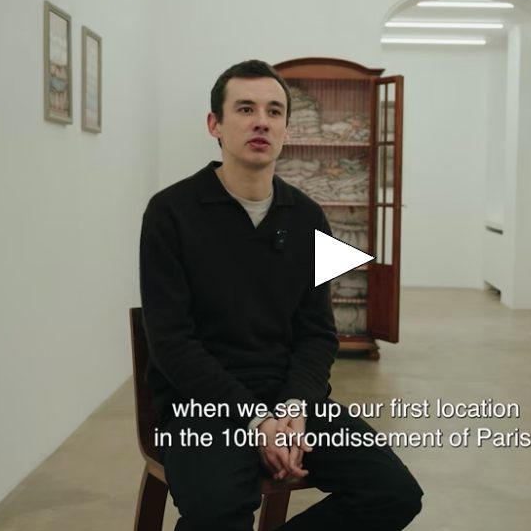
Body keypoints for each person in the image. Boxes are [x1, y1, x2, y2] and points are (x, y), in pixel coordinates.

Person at [139, 59, 423, 530]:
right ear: (215, 124)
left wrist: (293, 409)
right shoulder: (171, 213)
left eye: (274, 111)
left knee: (393, 493)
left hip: (290, 399)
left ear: (287, 129)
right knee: (216, 514)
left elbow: (317, 333)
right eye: (245, 109)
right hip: (201, 407)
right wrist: (256, 422)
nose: (261, 122)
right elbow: (172, 344)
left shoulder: (307, 216)